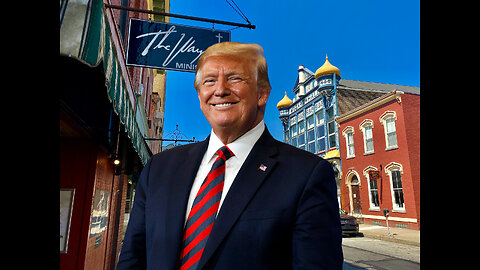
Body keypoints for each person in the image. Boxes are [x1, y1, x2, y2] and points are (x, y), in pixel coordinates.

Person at [116, 42, 343, 270]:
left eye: (235, 78)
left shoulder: (306, 175)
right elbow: (133, 259)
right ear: (200, 94)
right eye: (209, 81)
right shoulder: (159, 168)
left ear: (262, 93)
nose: (220, 89)